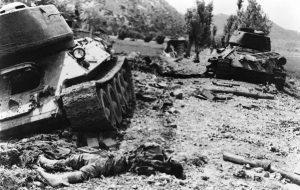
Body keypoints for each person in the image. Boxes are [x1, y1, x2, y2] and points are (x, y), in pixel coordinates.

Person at [36, 143, 185, 187]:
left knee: (87, 171)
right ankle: (51, 164)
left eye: (172, 162)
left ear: (169, 168)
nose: (170, 159)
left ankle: (60, 179)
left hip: (113, 164)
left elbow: (138, 165)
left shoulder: (154, 166)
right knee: (79, 158)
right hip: (111, 157)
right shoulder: (157, 154)